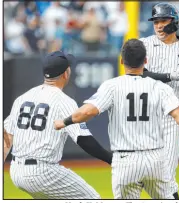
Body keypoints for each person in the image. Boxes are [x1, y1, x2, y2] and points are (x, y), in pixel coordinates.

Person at [54, 39, 179, 199]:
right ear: (145, 60)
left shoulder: (112, 86)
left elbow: (87, 112)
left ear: (122, 61)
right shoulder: (159, 87)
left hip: (125, 160)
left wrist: (64, 122)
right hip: (154, 158)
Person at [3, 51, 113, 199]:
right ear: (65, 73)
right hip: (43, 171)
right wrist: (111, 159)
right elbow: (83, 139)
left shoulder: (23, 98)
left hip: (16, 171)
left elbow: (6, 137)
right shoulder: (63, 101)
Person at [139, 3, 179, 199]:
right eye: (155, 21)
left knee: (166, 178)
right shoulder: (144, 45)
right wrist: (171, 76)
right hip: (145, 117)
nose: (158, 26)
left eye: (163, 20)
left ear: (175, 22)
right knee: (137, 175)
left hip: (173, 120)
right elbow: (139, 73)